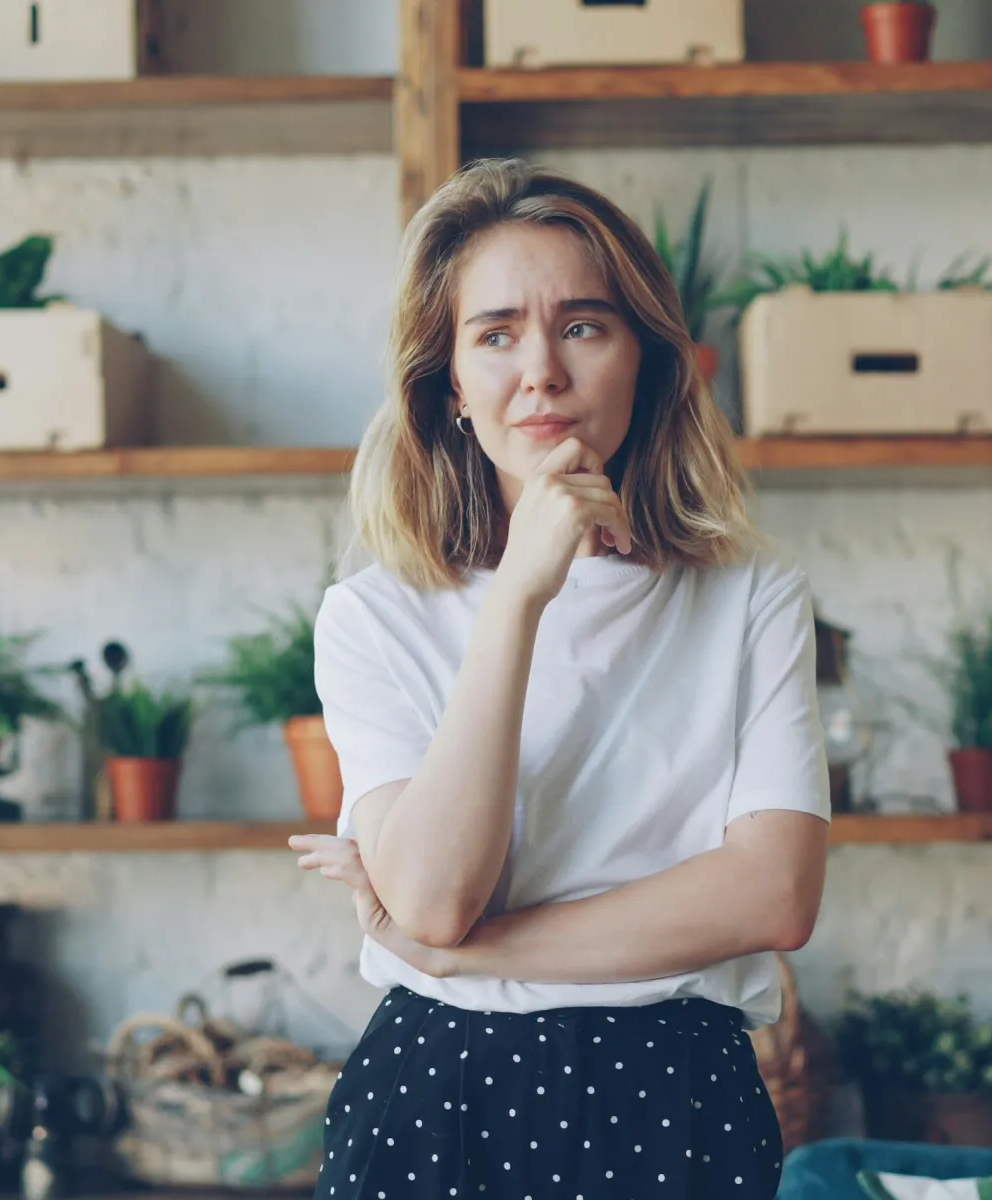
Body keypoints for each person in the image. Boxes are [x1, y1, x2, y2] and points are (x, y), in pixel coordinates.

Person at [288, 158, 830, 1200]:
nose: (540, 370)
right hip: (435, 1099)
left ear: (648, 361)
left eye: (583, 326)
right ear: (448, 383)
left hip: (680, 1095)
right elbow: (437, 899)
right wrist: (519, 598)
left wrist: (479, 958)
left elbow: (774, 893)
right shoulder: (371, 616)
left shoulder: (752, 597)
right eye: (494, 334)